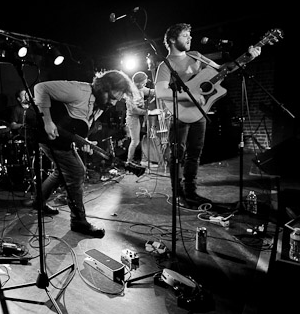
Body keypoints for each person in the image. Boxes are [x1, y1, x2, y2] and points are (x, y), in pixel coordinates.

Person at [155, 23, 261, 208]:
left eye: (190, 35)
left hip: (200, 113)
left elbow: (223, 70)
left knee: (195, 154)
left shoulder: (196, 56)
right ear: (172, 39)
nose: (190, 38)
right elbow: (161, 92)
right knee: (177, 155)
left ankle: (191, 192)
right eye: (185, 35)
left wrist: (246, 59)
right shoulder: (165, 65)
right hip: (179, 113)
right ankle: (178, 193)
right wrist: (191, 95)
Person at [33, 70, 134, 238]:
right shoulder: (78, 90)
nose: (114, 103)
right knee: (77, 172)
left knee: (61, 172)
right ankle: (78, 221)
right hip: (49, 136)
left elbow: (77, 125)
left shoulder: (101, 104)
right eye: (113, 97)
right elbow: (40, 88)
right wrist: (48, 121)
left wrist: (85, 143)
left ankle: (39, 201)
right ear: (104, 88)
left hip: (63, 139)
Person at [125, 71, 155, 167]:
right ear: (138, 82)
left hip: (140, 117)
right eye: (143, 82)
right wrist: (147, 112)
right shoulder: (130, 92)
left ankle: (143, 160)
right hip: (132, 117)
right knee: (135, 141)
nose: (144, 84)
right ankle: (129, 162)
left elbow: (151, 92)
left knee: (141, 139)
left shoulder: (141, 88)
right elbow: (133, 110)